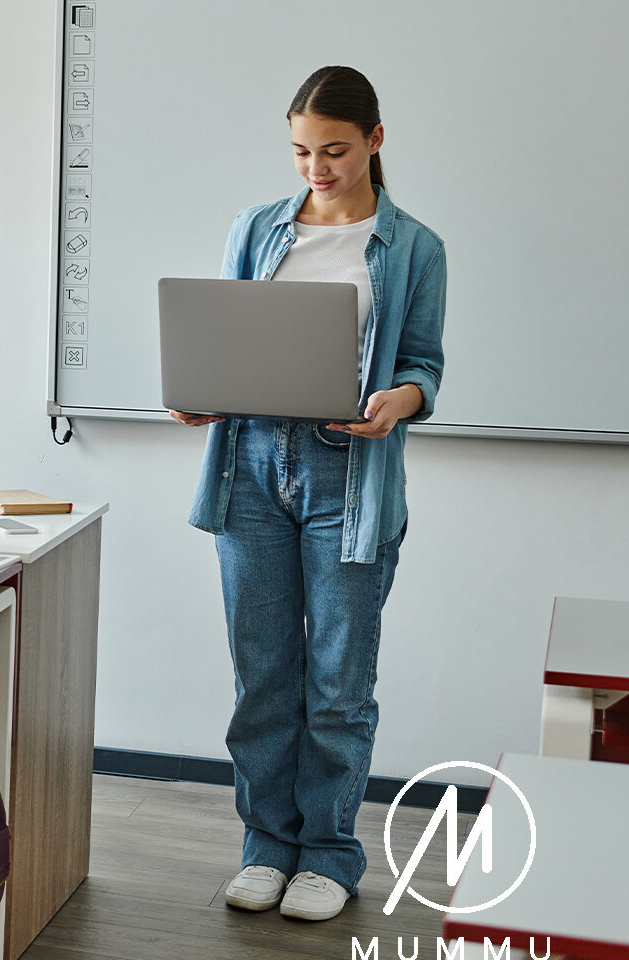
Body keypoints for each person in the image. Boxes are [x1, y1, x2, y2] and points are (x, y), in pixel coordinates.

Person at [171, 66, 445, 922]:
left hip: (348, 474)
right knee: (262, 676)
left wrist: (402, 400)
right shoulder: (256, 228)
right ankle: (266, 847)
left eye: (333, 150)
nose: (316, 168)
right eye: (300, 151)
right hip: (250, 461)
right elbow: (226, 339)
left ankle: (327, 854)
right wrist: (200, 389)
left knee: (337, 684)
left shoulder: (415, 247)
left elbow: (424, 365)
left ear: (375, 140)